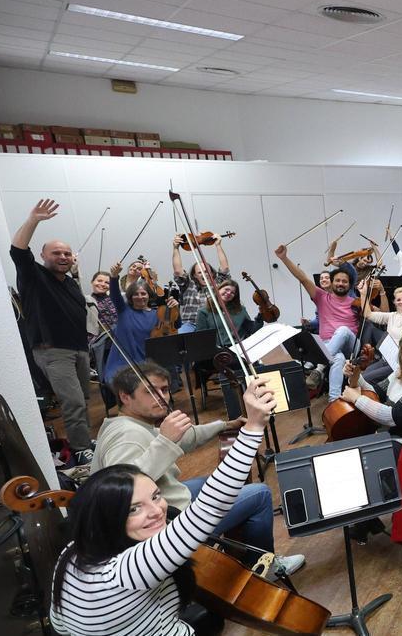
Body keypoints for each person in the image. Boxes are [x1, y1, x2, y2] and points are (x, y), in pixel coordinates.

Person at [51, 377, 282, 635]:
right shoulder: (127, 571)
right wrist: (253, 426)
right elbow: (209, 507)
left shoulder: (70, 554)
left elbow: (61, 628)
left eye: (156, 496)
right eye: (133, 509)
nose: (157, 511)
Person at [94, 363, 303, 573]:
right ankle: (264, 570)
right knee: (260, 494)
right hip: (167, 521)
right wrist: (165, 440)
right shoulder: (126, 436)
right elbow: (120, 493)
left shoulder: (130, 423)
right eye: (150, 391)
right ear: (125, 396)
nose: (161, 397)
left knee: (206, 482)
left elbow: (187, 437)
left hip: (169, 496)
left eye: (164, 390)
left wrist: (225, 425)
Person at [11, 198, 95, 466]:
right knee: (73, 402)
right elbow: (18, 250)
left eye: (67, 254)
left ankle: (84, 442)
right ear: (43, 256)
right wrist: (33, 220)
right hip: (53, 350)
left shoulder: (70, 284)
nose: (63, 257)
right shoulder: (33, 276)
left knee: (82, 399)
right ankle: (81, 449)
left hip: (79, 349)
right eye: (56, 253)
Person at [275, 243, 359, 401]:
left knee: (342, 330)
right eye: (338, 281)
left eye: (345, 281)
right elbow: (302, 278)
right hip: (329, 344)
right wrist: (284, 258)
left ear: (349, 284)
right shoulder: (321, 297)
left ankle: (319, 364)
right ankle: (334, 401)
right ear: (331, 283)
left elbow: (376, 314)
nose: (341, 283)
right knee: (338, 359)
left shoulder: (355, 301)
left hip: (352, 345)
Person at [102, 262, 180, 385]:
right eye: (135, 294)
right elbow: (115, 294)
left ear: (149, 295)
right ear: (130, 297)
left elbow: (175, 327)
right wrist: (114, 277)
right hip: (123, 364)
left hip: (151, 363)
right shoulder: (123, 310)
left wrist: (175, 308)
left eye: (143, 293)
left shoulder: (157, 314)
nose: (140, 297)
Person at [170, 234, 230, 334]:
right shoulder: (188, 284)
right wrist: (176, 248)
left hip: (212, 323)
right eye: (200, 272)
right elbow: (178, 271)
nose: (204, 274)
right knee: (179, 337)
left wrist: (218, 245)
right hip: (190, 324)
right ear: (194, 275)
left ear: (211, 272)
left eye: (206, 271)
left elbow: (225, 268)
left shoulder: (218, 284)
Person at [194, 279, 264, 348]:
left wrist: (261, 315)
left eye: (232, 292)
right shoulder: (203, 312)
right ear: (218, 289)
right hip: (218, 351)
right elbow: (201, 337)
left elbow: (252, 329)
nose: (229, 293)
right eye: (226, 289)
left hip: (239, 348)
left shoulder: (240, 309)